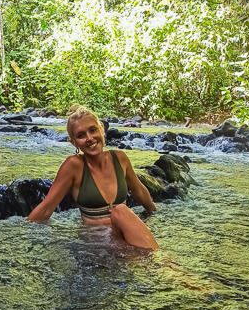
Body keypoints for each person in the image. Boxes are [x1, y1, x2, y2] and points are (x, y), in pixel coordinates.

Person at [27, 105, 159, 250]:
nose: (89, 138)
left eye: (93, 130)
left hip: (124, 235)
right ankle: (162, 263)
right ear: (74, 142)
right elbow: (47, 208)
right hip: (96, 242)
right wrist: (23, 234)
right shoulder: (73, 166)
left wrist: (156, 214)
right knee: (121, 211)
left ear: (101, 130)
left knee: (121, 211)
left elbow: (139, 191)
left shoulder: (120, 158)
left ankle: (162, 264)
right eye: (81, 135)